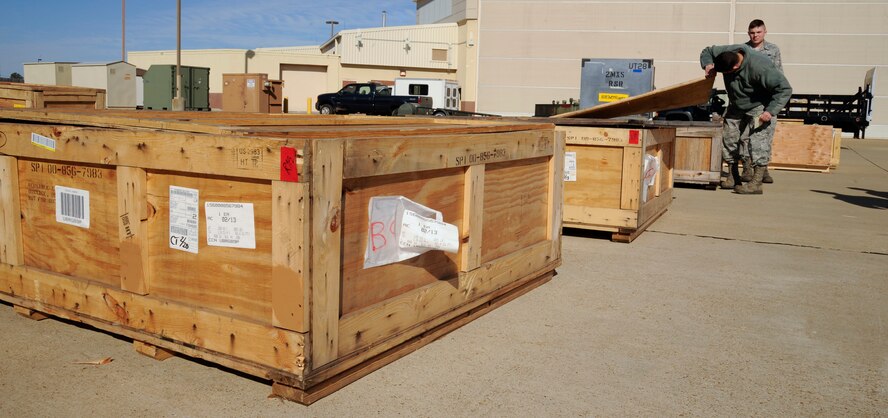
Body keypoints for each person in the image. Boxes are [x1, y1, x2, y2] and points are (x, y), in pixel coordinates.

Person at [700, 44, 792, 194]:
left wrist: (770, 111)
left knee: (758, 142)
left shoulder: (761, 66)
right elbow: (707, 51)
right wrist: (708, 64)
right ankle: (733, 176)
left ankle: (756, 183)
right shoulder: (727, 52)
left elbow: (785, 89)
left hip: (760, 106)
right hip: (737, 103)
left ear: (736, 65)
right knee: (729, 137)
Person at [742, 19, 783, 184]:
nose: (755, 36)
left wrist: (776, 100)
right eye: (752, 33)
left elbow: (778, 74)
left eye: (758, 32)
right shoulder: (743, 49)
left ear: (765, 32)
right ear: (748, 33)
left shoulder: (773, 50)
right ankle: (746, 167)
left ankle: (763, 168)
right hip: (749, 100)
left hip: (767, 100)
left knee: (766, 136)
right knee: (745, 136)